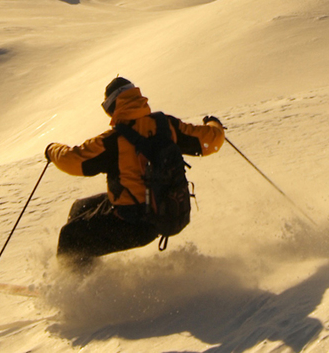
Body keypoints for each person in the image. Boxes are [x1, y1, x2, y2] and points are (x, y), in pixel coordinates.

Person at [45, 77, 226, 271]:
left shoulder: (114, 141)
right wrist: (214, 123)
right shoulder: (167, 126)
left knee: (70, 236)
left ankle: (71, 289)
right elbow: (213, 141)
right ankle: (86, 272)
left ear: (114, 106)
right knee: (80, 208)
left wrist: (52, 150)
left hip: (132, 224)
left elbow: (74, 161)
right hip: (164, 211)